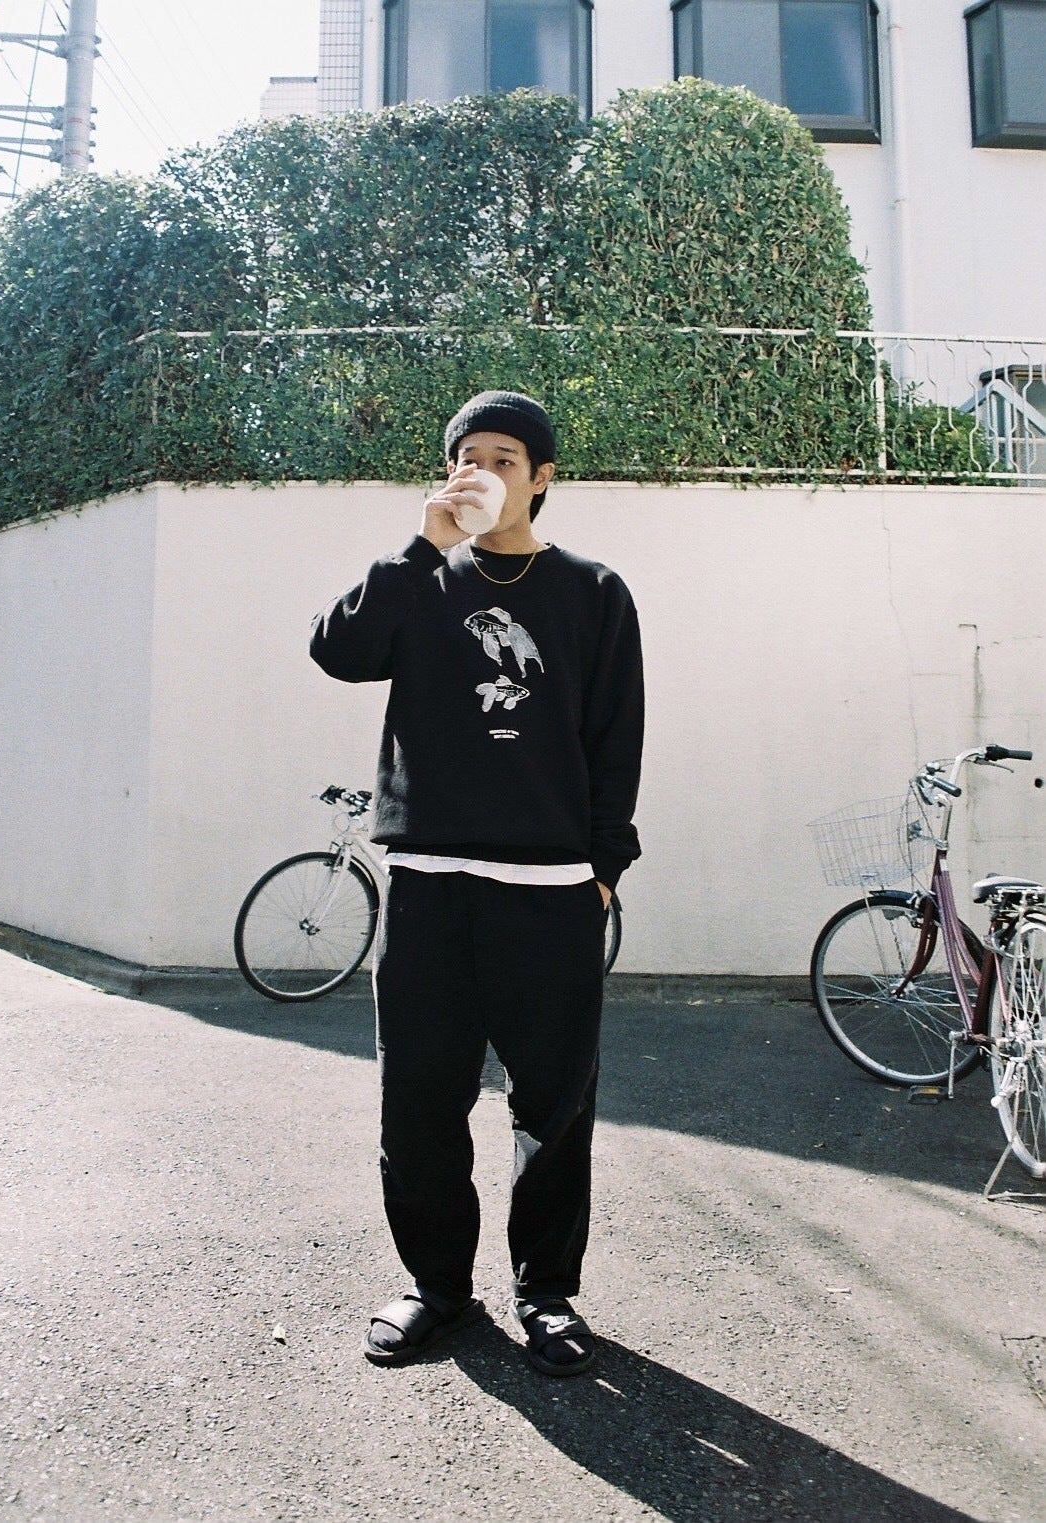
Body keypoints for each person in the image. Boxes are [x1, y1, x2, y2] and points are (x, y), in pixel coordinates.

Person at [310, 389, 644, 1377]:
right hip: (431, 885)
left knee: (554, 1108)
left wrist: (603, 871)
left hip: (551, 889)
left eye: (505, 457)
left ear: (541, 478)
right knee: (418, 1101)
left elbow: (615, 737)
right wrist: (421, 546)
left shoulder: (593, 591)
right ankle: (438, 1287)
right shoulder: (421, 580)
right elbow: (337, 649)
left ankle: (546, 1293)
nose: (484, 471)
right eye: (469, 456)